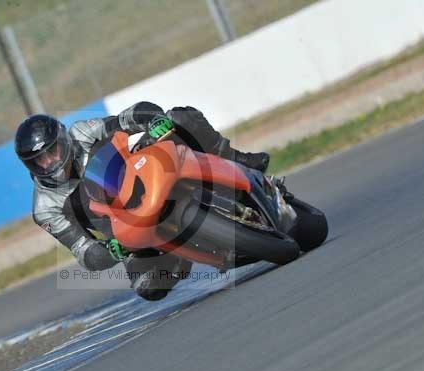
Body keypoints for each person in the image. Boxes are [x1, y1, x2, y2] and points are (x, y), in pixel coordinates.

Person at [14, 102, 270, 300]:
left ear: (63, 140)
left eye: (52, 151)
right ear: (29, 165)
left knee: (181, 117)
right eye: (40, 160)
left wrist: (153, 120)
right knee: (149, 287)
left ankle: (237, 160)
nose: (49, 162)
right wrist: (109, 252)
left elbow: (124, 119)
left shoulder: (82, 132)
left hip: (145, 182)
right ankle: (176, 259)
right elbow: (82, 250)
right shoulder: (45, 208)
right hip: (130, 236)